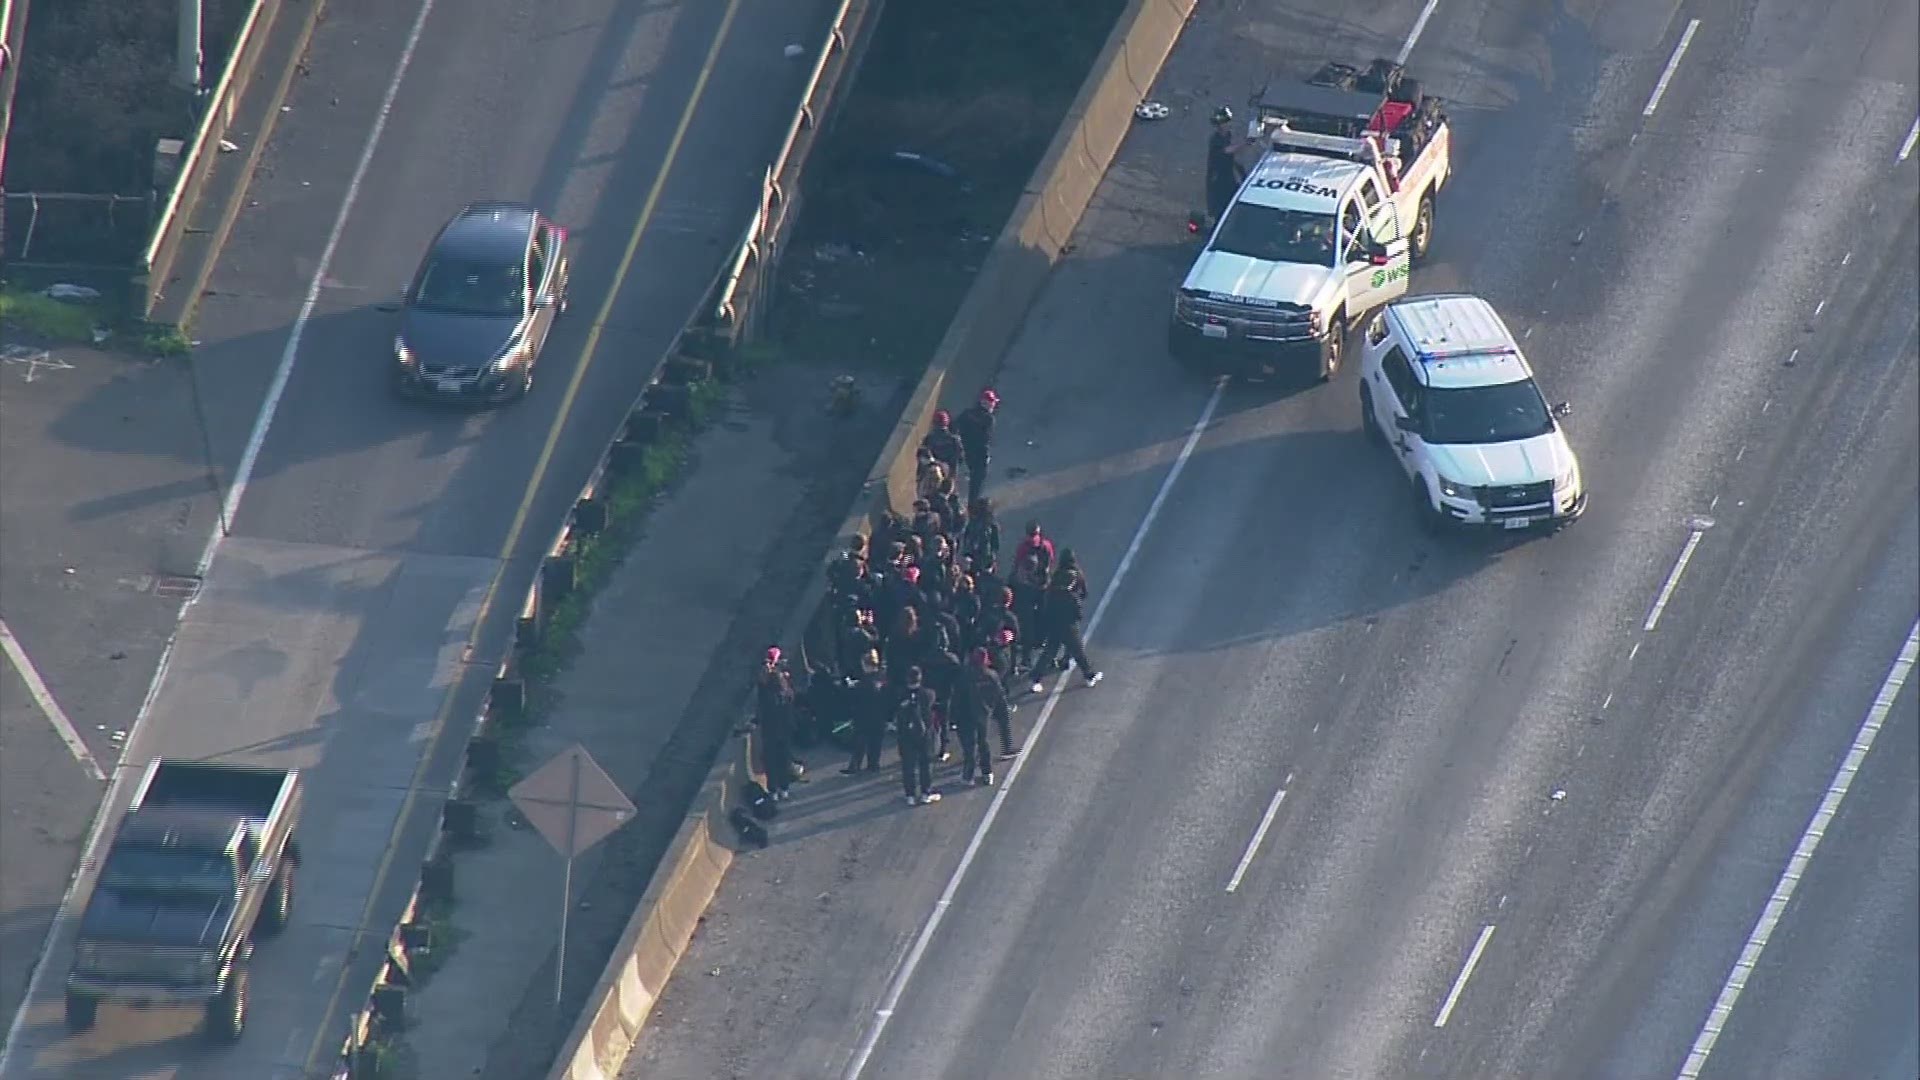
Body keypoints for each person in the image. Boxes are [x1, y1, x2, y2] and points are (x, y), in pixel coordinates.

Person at [1032, 554, 1102, 691]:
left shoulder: (1054, 583)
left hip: (1054, 624)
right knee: (1078, 651)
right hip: (1069, 626)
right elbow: (1079, 610)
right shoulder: (1073, 592)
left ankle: (1036, 678)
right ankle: (1089, 676)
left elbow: (1046, 606)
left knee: (1050, 651)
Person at [953, 649, 1012, 783]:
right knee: (983, 743)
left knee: (969, 746)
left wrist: (954, 716)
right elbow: (999, 695)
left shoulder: (964, 676)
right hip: (984, 713)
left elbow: (957, 698)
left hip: (966, 715)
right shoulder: (992, 675)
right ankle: (987, 772)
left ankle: (968, 775)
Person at [755, 647, 800, 800]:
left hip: (769, 730)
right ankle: (784, 788)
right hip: (785, 728)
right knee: (784, 758)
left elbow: (760, 706)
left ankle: (772, 790)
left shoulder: (765, 689)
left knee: (771, 760)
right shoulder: (786, 692)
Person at [894, 666, 941, 805]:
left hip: (905, 734)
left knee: (908, 765)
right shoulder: (929, 694)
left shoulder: (899, 694)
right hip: (925, 733)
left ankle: (910, 795)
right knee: (925, 763)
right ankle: (926, 792)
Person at [841, 650, 889, 774]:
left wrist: (851, 688)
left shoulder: (865, 682)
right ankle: (873, 765)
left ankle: (855, 766)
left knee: (860, 742)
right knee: (875, 743)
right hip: (880, 715)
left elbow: (857, 697)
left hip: (864, 716)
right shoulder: (882, 677)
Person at [1206, 106, 1249, 225]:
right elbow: (1227, 151)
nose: (1226, 125)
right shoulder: (1216, 139)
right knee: (1221, 204)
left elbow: (1231, 156)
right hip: (1218, 177)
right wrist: (1245, 143)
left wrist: (1241, 170)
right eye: (1224, 122)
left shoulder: (1228, 135)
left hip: (1228, 174)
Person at [954, 389, 999, 502]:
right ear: (986, 403)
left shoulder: (967, 413)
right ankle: (972, 505)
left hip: (965, 450)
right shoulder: (988, 419)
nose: (993, 405)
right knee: (977, 481)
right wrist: (986, 457)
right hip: (978, 454)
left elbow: (954, 426)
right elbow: (985, 440)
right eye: (992, 402)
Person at [959, 497, 1001, 573]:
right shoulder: (991, 525)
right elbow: (995, 545)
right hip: (982, 557)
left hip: (978, 557)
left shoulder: (974, 524)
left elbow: (966, 539)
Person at [923, 410, 964, 477]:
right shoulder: (954, 439)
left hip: (934, 465)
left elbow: (922, 452)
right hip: (945, 468)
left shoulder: (929, 437)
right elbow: (960, 456)